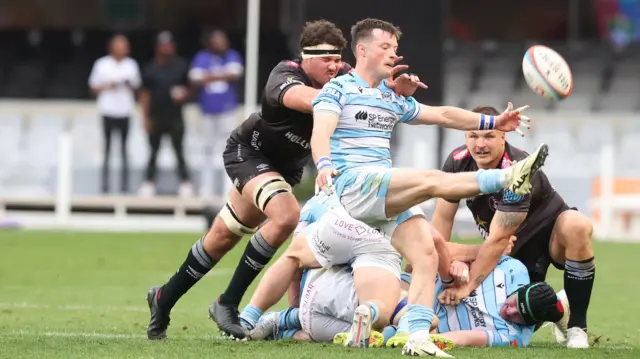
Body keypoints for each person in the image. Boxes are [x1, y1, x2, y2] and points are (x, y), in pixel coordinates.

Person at [310, 18, 547, 357]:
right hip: (353, 182)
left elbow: (445, 116)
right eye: (385, 47)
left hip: (382, 192)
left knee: (425, 255)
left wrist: (493, 122)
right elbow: (321, 131)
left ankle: (418, 338)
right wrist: (323, 164)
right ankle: (509, 177)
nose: (394, 54)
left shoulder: (389, 97)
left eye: (395, 48)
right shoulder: (337, 90)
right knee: (431, 180)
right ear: (361, 50)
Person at [146, 20, 373, 340]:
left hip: (284, 169)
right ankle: (228, 303)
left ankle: (162, 299)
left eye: (338, 59)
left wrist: (389, 88)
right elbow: (313, 101)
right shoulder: (285, 75)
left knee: (222, 238)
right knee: (286, 215)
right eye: (326, 60)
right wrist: (357, 93)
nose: (334, 67)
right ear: (306, 57)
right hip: (249, 153)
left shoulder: (341, 76)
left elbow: (369, 91)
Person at [430, 105, 595, 349]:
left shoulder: (518, 168)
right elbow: (442, 220)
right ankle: (558, 309)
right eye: (473, 136)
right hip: (513, 249)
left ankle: (577, 327)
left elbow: (499, 238)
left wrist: (469, 286)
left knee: (576, 224)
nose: (480, 144)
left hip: (548, 236)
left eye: (488, 136)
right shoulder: (457, 162)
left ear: (503, 137)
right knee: (518, 317)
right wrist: (430, 265)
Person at [237, 191, 404, 348]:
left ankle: (255, 319)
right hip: (348, 293)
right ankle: (394, 328)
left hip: (313, 298)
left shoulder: (317, 202)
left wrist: (296, 309)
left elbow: (295, 268)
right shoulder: (389, 199)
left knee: (293, 257)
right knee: (391, 306)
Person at [385, 256, 565, 350]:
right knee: (392, 288)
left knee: (399, 323)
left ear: (530, 325)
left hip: (429, 324)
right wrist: (460, 263)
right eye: (513, 303)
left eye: (519, 316)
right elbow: (474, 253)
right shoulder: (513, 269)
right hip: (423, 287)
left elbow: (464, 339)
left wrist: (422, 339)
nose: (509, 312)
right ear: (519, 288)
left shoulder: (515, 337)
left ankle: (382, 328)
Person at [247, 265, 415, 346]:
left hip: (313, 296)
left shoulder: (326, 214)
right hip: (342, 296)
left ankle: (275, 322)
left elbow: (294, 261)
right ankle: (278, 324)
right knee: (394, 320)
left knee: (366, 333)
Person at [189, 29, 243, 200]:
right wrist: (221, 75)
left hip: (227, 109)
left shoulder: (232, 55)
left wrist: (209, 76)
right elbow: (195, 77)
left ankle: (227, 187)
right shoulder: (202, 57)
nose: (220, 44)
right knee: (207, 149)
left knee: (228, 149)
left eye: (223, 40)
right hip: (207, 110)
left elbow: (235, 73)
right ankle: (207, 188)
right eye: (217, 41)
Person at [138, 31, 193, 197]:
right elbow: (144, 95)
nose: (167, 48)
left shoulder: (180, 66)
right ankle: (149, 182)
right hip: (156, 116)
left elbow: (189, 88)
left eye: (169, 44)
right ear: (158, 47)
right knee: (154, 151)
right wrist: (145, 118)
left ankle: (185, 183)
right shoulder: (151, 68)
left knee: (179, 151)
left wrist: (184, 95)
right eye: (164, 45)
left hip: (175, 116)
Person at [88, 34, 141, 194]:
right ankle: (105, 187)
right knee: (107, 150)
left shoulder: (131, 65)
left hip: (125, 111)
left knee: (124, 150)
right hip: (108, 111)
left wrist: (126, 83)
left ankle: (124, 188)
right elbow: (93, 88)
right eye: (120, 45)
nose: (123, 49)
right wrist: (109, 85)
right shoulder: (101, 64)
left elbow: (137, 87)